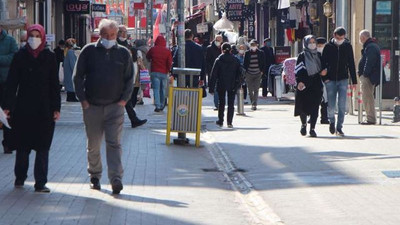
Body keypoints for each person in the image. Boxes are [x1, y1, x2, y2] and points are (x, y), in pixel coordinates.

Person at [73, 19, 133, 194]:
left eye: (113, 35)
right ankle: (95, 175)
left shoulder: (123, 53)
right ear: (100, 35)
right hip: (92, 106)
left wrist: (124, 100)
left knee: (114, 144)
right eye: (106, 35)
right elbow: (77, 77)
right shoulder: (88, 51)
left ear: (117, 35)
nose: (109, 38)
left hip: (115, 107)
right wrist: (83, 100)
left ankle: (116, 179)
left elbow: (129, 78)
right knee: (93, 144)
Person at [2, 24, 61, 192]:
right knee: (23, 146)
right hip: (23, 108)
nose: (34, 39)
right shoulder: (20, 56)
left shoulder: (49, 57)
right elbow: (12, 83)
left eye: (37, 35)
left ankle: (40, 182)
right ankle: (20, 178)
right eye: (31, 35)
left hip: (44, 108)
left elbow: (54, 85)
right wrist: (7, 107)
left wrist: (56, 108)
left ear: (42, 37)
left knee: (43, 147)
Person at [322, 27, 357, 136]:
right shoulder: (328, 47)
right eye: (338, 38)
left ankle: (339, 127)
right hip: (330, 80)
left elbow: (351, 63)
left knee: (342, 105)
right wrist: (325, 79)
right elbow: (322, 63)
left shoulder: (347, 46)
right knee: (331, 105)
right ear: (334, 35)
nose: (340, 40)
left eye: (342, 38)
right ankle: (332, 121)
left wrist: (354, 81)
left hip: (343, 79)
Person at [294, 35, 326, 137]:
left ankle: (312, 128)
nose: (312, 44)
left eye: (314, 42)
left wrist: (325, 72)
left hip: (316, 84)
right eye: (310, 42)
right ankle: (303, 125)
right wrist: (300, 82)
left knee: (315, 107)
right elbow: (298, 70)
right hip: (304, 83)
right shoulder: (302, 56)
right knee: (303, 106)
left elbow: (323, 68)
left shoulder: (319, 55)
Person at [117, 25, 147, 127]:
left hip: (125, 76)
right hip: (117, 76)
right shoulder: (115, 44)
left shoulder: (127, 44)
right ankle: (133, 120)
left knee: (125, 99)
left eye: (125, 32)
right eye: (122, 32)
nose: (124, 34)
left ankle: (133, 120)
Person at [209, 43, 241, 128]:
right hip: (232, 84)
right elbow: (240, 73)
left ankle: (220, 121)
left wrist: (211, 88)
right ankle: (229, 122)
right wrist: (238, 84)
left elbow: (214, 74)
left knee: (221, 103)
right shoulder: (235, 60)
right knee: (231, 103)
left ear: (221, 50)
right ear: (230, 50)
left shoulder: (218, 59)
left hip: (221, 83)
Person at [0, 25, 18, 154]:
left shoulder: (10, 41)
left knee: (7, 113)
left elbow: (14, 57)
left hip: (6, 82)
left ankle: (8, 143)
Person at [358, 29, 382, 125]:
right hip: (369, 76)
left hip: (368, 77)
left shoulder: (370, 47)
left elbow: (369, 61)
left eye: (360, 38)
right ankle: (370, 117)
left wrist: (364, 74)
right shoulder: (371, 46)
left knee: (367, 97)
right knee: (367, 97)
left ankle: (371, 119)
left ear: (363, 38)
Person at [146, 35, 173, 112]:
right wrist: (167, 70)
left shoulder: (153, 49)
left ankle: (157, 106)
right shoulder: (167, 51)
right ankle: (162, 104)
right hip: (164, 72)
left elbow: (148, 56)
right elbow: (169, 62)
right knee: (163, 89)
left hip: (154, 72)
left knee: (156, 89)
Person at [244, 39, 266, 111]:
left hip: (258, 73)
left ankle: (254, 104)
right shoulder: (247, 53)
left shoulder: (261, 53)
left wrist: (262, 71)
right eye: (252, 45)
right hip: (249, 73)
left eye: (254, 45)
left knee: (256, 89)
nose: (253, 47)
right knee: (250, 90)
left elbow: (263, 62)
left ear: (257, 46)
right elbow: (245, 63)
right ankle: (252, 102)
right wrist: (245, 72)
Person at [206, 34, 223, 110]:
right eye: (217, 40)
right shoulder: (210, 48)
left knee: (222, 88)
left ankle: (221, 103)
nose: (218, 42)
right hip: (213, 71)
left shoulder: (223, 48)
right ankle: (217, 104)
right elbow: (207, 60)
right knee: (216, 88)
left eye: (220, 40)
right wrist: (211, 70)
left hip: (223, 72)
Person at [316, 37, 329, 124]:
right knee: (315, 100)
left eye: (322, 45)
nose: (320, 47)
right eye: (318, 45)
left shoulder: (329, 54)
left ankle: (324, 118)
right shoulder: (313, 55)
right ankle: (312, 117)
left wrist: (327, 72)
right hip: (315, 79)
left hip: (326, 80)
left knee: (325, 100)